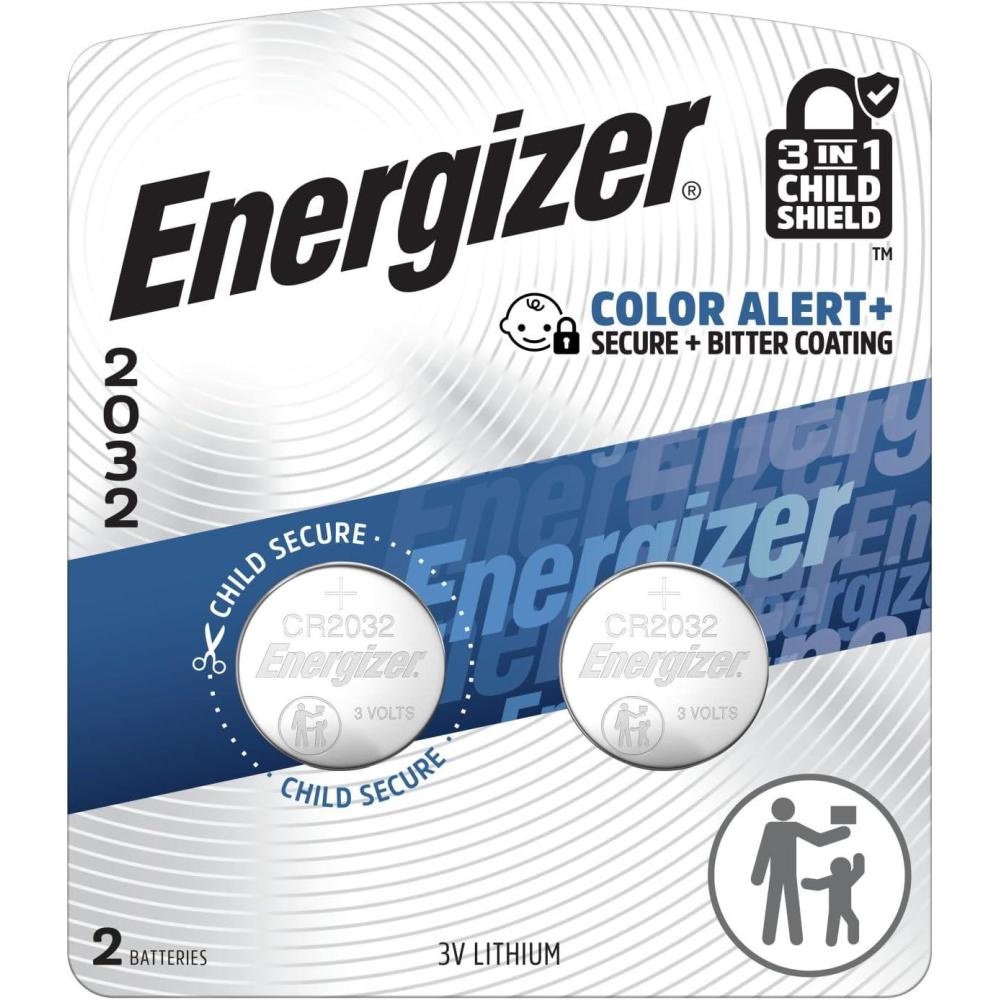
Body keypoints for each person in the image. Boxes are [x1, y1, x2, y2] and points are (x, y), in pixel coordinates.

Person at [750, 797, 850, 945]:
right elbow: (819, 839)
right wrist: (842, 832)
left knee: (775, 902)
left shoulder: (772, 828)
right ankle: (794, 938)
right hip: (788, 874)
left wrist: (758, 876)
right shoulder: (791, 827)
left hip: (778, 874)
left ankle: (770, 937)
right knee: (790, 903)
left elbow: (763, 853)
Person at [802, 853, 866, 946]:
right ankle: (844, 940)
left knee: (839, 922)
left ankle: (833, 941)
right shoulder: (847, 878)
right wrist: (858, 859)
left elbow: (817, 884)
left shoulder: (835, 879)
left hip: (838, 907)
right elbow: (858, 871)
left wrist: (805, 883)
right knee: (851, 922)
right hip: (843, 907)